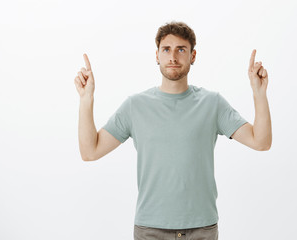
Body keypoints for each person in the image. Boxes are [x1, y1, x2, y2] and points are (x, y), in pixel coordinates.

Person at [74, 21, 272, 240]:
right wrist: (86, 99)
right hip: (151, 229)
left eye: (181, 50)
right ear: (157, 55)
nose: (173, 57)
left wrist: (259, 93)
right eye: (166, 49)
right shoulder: (135, 106)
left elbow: (260, 142)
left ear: (193, 56)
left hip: (202, 229)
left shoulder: (212, 103)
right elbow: (90, 152)